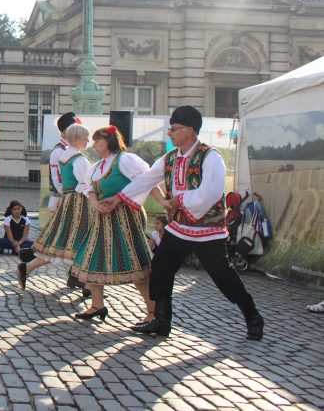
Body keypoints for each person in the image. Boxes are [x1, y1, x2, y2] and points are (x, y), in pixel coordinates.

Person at [103, 105, 264, 341]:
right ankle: (161, 320)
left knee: (224, 277)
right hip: (179, 229)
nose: (169, 133)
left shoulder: (211, 156)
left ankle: (253, 316)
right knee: (160, 268)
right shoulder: (170, 159)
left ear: (189, 130)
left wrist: (180, 200)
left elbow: (211, 191)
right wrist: (118, 198)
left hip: (208, 231)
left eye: (173, 129)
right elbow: (146, 179)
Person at [70, 126, 163, 323]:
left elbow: (147, 181)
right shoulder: (97, 166)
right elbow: (89, 188)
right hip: (101, 220)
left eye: (97, 141)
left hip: (125, 219)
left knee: (134, 262)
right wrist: (94, 203)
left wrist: (163, 202)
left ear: (109, 140)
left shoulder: (125, 160)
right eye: (94, 141)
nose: (94, 145)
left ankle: (153, 311)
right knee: (91, 259)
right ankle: (97, 305)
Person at [17, 123, 92, 290]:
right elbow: (88, 184)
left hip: (67, 200)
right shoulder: (79, 159)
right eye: (85, 137)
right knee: (83, 242)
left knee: (62, 243)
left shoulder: (64, 157)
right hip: (80, 203)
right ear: (77, 138)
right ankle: (86, 285)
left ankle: (28, 267)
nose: (88, 140)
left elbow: (60, 183)